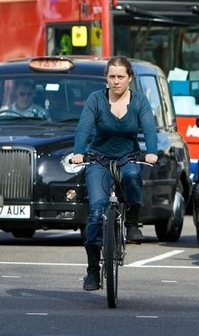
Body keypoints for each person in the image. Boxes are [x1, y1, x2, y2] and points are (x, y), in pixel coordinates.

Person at [72, 56, 158, 291]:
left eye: (121, 77)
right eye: (112, 76)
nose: (116, 81)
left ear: (130, 78)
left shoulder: (139, 101)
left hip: (127, 158)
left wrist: (151, 151)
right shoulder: (96, 100)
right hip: (98, 159)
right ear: (106, 78)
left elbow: (149, 128)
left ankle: (132, 222)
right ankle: (92, 271)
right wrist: (78, 152)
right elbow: (84, 128)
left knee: (132, 178)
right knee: (97, 210)